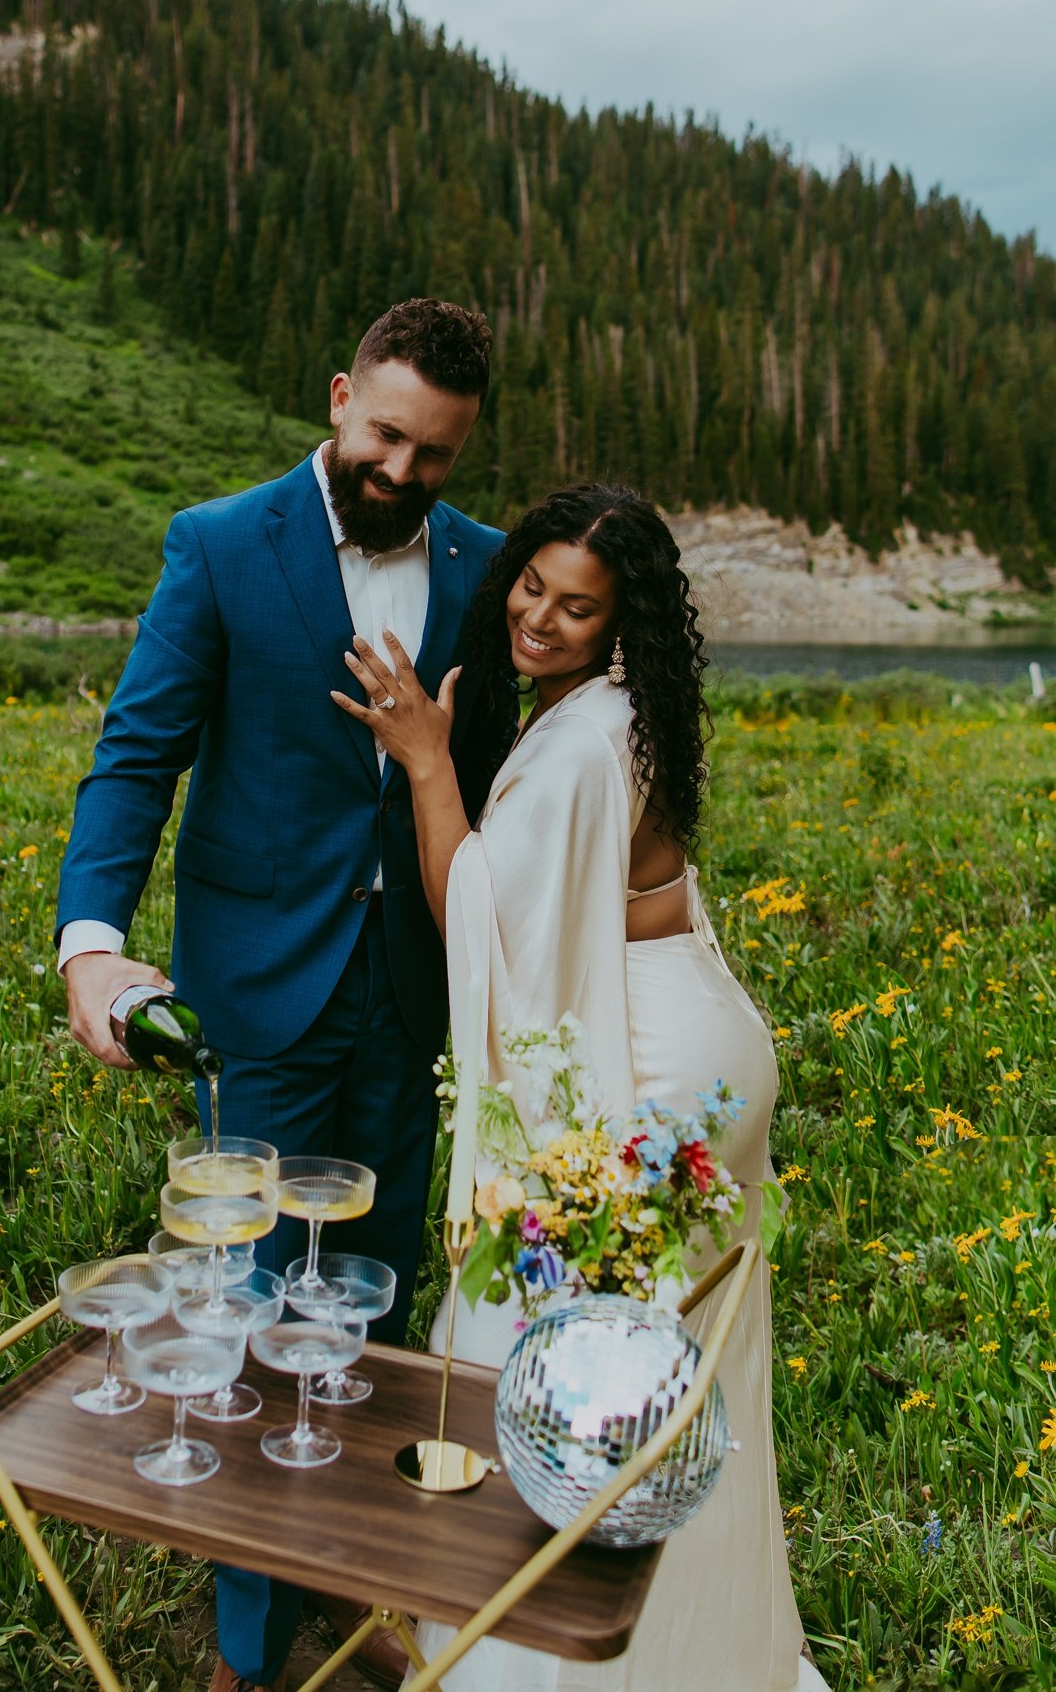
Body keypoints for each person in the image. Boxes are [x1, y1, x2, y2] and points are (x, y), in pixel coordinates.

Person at [55, 298, 504, 1692]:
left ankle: (357, 1589)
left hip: (407, 1004)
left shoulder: (490, 573)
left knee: (371, 1298)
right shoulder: (217, 543)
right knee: (247, 1312)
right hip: (256, 999)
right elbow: (138, 759)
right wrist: (90, 944)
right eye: (385, 435)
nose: (403, 474)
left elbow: (490, 794)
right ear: (335, 400)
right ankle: (246, 1651)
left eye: (434, 454)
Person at [333, 484, 831, 1692]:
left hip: (650, 1073)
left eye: (577, 607)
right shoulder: (635, 710)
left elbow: (478, 926)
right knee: (682, 1368)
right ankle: (696, 1649)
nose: (539, 620)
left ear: (619, 624)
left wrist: (428, 763)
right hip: (697, 1039)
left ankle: (539, 1656)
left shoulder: (574, 749)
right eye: (531, 588)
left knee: (552, 1346)